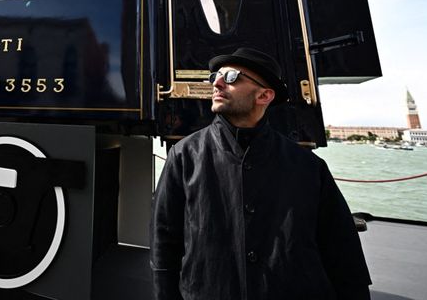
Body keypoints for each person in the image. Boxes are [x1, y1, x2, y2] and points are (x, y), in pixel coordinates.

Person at [150, 47, 371, 300]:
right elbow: (164, 243)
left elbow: (343, 253)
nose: (217, 83)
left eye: (231, 77)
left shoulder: (309, 167)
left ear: (264, 95)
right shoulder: (183, 156)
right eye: (215, 77)